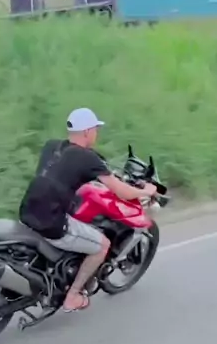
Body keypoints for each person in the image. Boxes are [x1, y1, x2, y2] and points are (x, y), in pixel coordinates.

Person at [19, 107, 157, 313]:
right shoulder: (87, 158)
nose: (96, 133)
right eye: (95, 129)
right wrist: (147, 190)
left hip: (28, 209)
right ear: (86, 132)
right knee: (102, 246)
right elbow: (122, 191)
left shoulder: (52, 146)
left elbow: (57, 173)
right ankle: (73, 296)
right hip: (52, 222)